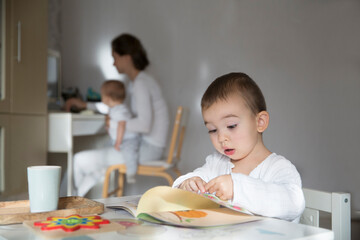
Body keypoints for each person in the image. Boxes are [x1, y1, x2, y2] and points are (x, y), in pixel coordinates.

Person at [172, 72, 305, 222]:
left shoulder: (278, 168)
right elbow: (194, 179)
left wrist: (238, 188)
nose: (222, 138)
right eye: (213, 130)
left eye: (231, 126)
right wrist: (188, 184)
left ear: (260, 122)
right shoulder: (217, 163)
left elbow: (294, 203)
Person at [63, 33, 169, 196]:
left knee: (78, 160)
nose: (113, 63)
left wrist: (113, 124)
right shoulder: (140, 82)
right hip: (145, 145)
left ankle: (66, 202)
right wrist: (86, 105)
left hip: (148, 149)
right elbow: (118, 108)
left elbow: (144, 124)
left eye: (115, 57)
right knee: (101, 154)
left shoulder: (141, 84)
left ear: (126, 57)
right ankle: (76, 196)